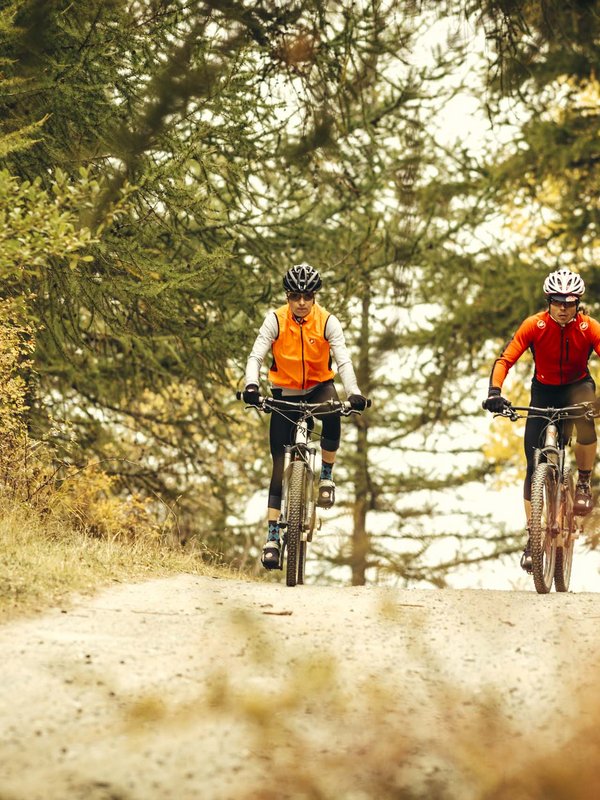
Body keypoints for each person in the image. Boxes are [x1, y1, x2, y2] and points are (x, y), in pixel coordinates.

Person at [243, 262, 367, 569]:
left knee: (335, 411)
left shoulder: (327, 322)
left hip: (318, 387)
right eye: (296, 295)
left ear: (314, 297)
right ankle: (272, 537)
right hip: (283, 393)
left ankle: (326, 476)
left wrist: (353, 392)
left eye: (307, 296)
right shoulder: (275, 320)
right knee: (276, 464)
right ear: (287, 295)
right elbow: (256, 355)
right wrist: (251, 385)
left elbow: (343, 360)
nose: (301, 302)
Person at [482, 268, 600, 572]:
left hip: (578, 387)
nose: (563, 308)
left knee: (586, 419)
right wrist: (495, 391)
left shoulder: (589, 328)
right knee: (533, 466)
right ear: (549, 301)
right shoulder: (534, 326)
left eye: (569, 302)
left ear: (577, 304)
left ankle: (583, 482)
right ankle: (533, 535)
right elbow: (506, 359)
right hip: (544, 392)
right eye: (557, 302)